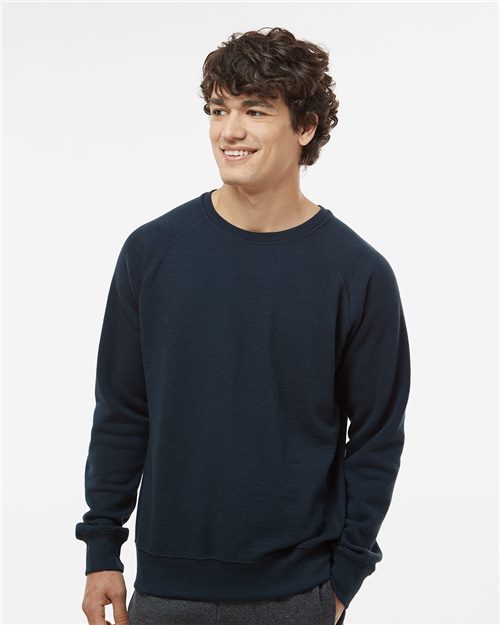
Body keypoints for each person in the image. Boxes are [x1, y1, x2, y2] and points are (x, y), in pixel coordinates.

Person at [75, 26, 411, 625]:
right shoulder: (152, 253)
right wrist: (102, 549)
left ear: (304, 127)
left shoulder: (357, 273)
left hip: (299, 592)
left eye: (254, 111)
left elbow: (377, 437)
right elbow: (123, 410)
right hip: (166, 588)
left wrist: (344, 580)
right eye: (218, 110)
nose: (229, 130)